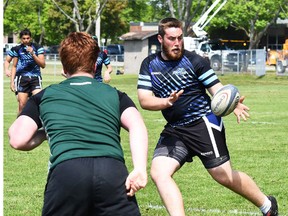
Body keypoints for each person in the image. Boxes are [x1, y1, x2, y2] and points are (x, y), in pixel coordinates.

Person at [137, 17, 278, 216]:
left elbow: (217, 90)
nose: (177, 43)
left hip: (203, 123)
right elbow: (144, 99)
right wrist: (166, 102)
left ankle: (267, 205)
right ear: (160, 39)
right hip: (176, 128)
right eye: (171, 39)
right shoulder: (150, 65)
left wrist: (233, 104)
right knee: (159, 173)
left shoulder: (194, 60)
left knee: (222, 175)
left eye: (179, 38)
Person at [8, 31, 148, 216]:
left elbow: (17, 139)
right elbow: (137, 125)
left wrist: (45, 133)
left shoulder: (44, 96)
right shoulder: (115, 94)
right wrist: (139, 168)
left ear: (64, 67)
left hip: (67, 171)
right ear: (93, 64)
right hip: (112, 171)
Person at [10, 28, 46, 115]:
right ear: (21, 39)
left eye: (28, 38)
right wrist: (12, 82)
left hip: (35, 78)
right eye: (24, 38)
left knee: (39, 101)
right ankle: (18, 127)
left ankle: (38, 125)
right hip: (22, 79)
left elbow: (43, 65)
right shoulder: (17, 49)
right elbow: (14, 66)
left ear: (31, 38)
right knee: (22, 105)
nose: (26, 40)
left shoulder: (38, 48)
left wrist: (33, 54)